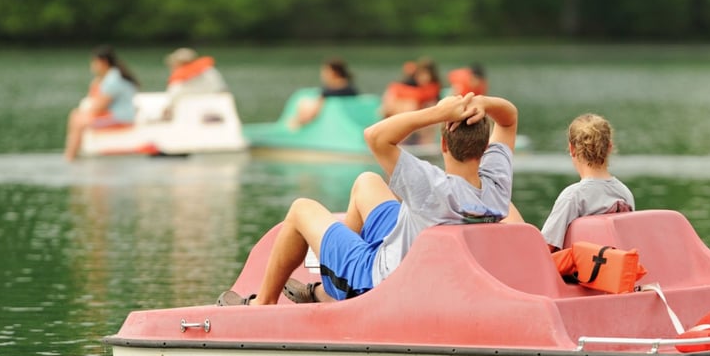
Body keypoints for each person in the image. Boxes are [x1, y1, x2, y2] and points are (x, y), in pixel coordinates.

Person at [218, 91, 518, 307]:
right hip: (416, 261)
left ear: (443, 143)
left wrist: (439, 112)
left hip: (377, 283)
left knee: (300, 209)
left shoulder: (431, 186)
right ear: (484, 149)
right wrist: (481, 102)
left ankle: (265, 303)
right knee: (367, 182)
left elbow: (375, 135)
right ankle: (328, 286)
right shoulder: (496, 185)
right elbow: (509, 119)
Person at [538, 113, 636, 251]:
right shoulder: (624, 194)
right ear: (609, 147)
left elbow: (545, 248)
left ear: (572, 149)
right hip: (612, 270)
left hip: (579, 272)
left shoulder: (573, 197)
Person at [64, 46, 139, 161]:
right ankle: (73, 155)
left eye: (94, 62)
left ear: (102, 62)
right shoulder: (114, 76)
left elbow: (98, 107)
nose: (92, 66)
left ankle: (70, 157)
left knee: (78, 121)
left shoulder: (112, 80)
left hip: (121, 119)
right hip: (121, 116)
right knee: (76, 115)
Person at [289, 58, 358, 129]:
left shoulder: (333, 90)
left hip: (339, 122)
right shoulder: (348, 87)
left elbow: (313, 111)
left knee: (304, 102)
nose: (323, 74)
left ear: (334, 72)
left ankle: (297, 123)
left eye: (325, 71)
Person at [163, 47, 229, 118]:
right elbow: (222, 90)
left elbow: (172, 99)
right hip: (215, 109)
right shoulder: (210, 72)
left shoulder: (177, 84)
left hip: (190, 115)